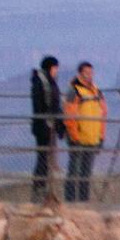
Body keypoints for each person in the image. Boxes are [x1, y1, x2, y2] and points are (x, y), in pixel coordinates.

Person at [62, 61, 105, 204]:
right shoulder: (73, 91)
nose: (89, 75)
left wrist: (101, 136)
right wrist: (73, 136)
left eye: (91, 73)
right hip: (78, 138)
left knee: (86, 173)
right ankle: (70, 201)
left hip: (92, 138)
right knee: (74, 171)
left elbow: (103, 114)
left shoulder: (97, 91)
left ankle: (83, 201)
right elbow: (69, 115)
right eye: (86, 73)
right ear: (80, 73)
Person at [29, 54, 63, 202]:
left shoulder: (48, 82)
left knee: (45, 156)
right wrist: (46, 121)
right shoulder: (41, 83)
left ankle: (42, 186)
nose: (57, 71)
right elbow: (40, 105)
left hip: (48, 124)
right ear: (50, 68)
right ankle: (39, 187)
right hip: (43, 125)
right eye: (55, 68)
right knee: (42, 156)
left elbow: (55, 104)